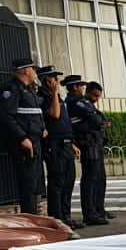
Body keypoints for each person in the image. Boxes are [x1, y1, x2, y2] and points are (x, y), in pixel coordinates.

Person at [0, 57, 46, 215]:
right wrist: (22, 138)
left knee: (36, 183)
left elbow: (34, 113)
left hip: (35, 140)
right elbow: (7, 116)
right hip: (25, 144)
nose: (34, 72)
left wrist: (42, 128)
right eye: (32, 69)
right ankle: (30, 219)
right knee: (28, 184)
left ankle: (36, 217)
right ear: (25, 70)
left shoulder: (29, 89)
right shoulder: (11, 89)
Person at [39, 67, 80, 229]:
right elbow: (54, 115)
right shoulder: (43, 97)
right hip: (54, 145)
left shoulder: (57, 97)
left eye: (56, 79)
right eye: (53, 79)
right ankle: (57, 218)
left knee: (69, 181)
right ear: (45, 81)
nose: (56, 82)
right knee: (57, 183)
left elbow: (64, 120)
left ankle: (66, 215)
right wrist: (54, 93)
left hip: (66, 143)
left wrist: (72, 143)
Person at [67, 76, 110, 225]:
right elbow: (96, 121)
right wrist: (98, 123)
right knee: (90, 180)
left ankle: (98, 209)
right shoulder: (76, 103)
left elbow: (100, 118)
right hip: (87, 143)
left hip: (94, 142)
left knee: (99, 178)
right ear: (75, 87)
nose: (82, 89)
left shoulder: (84, 103)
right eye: (81, 86)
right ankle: (90, 213)